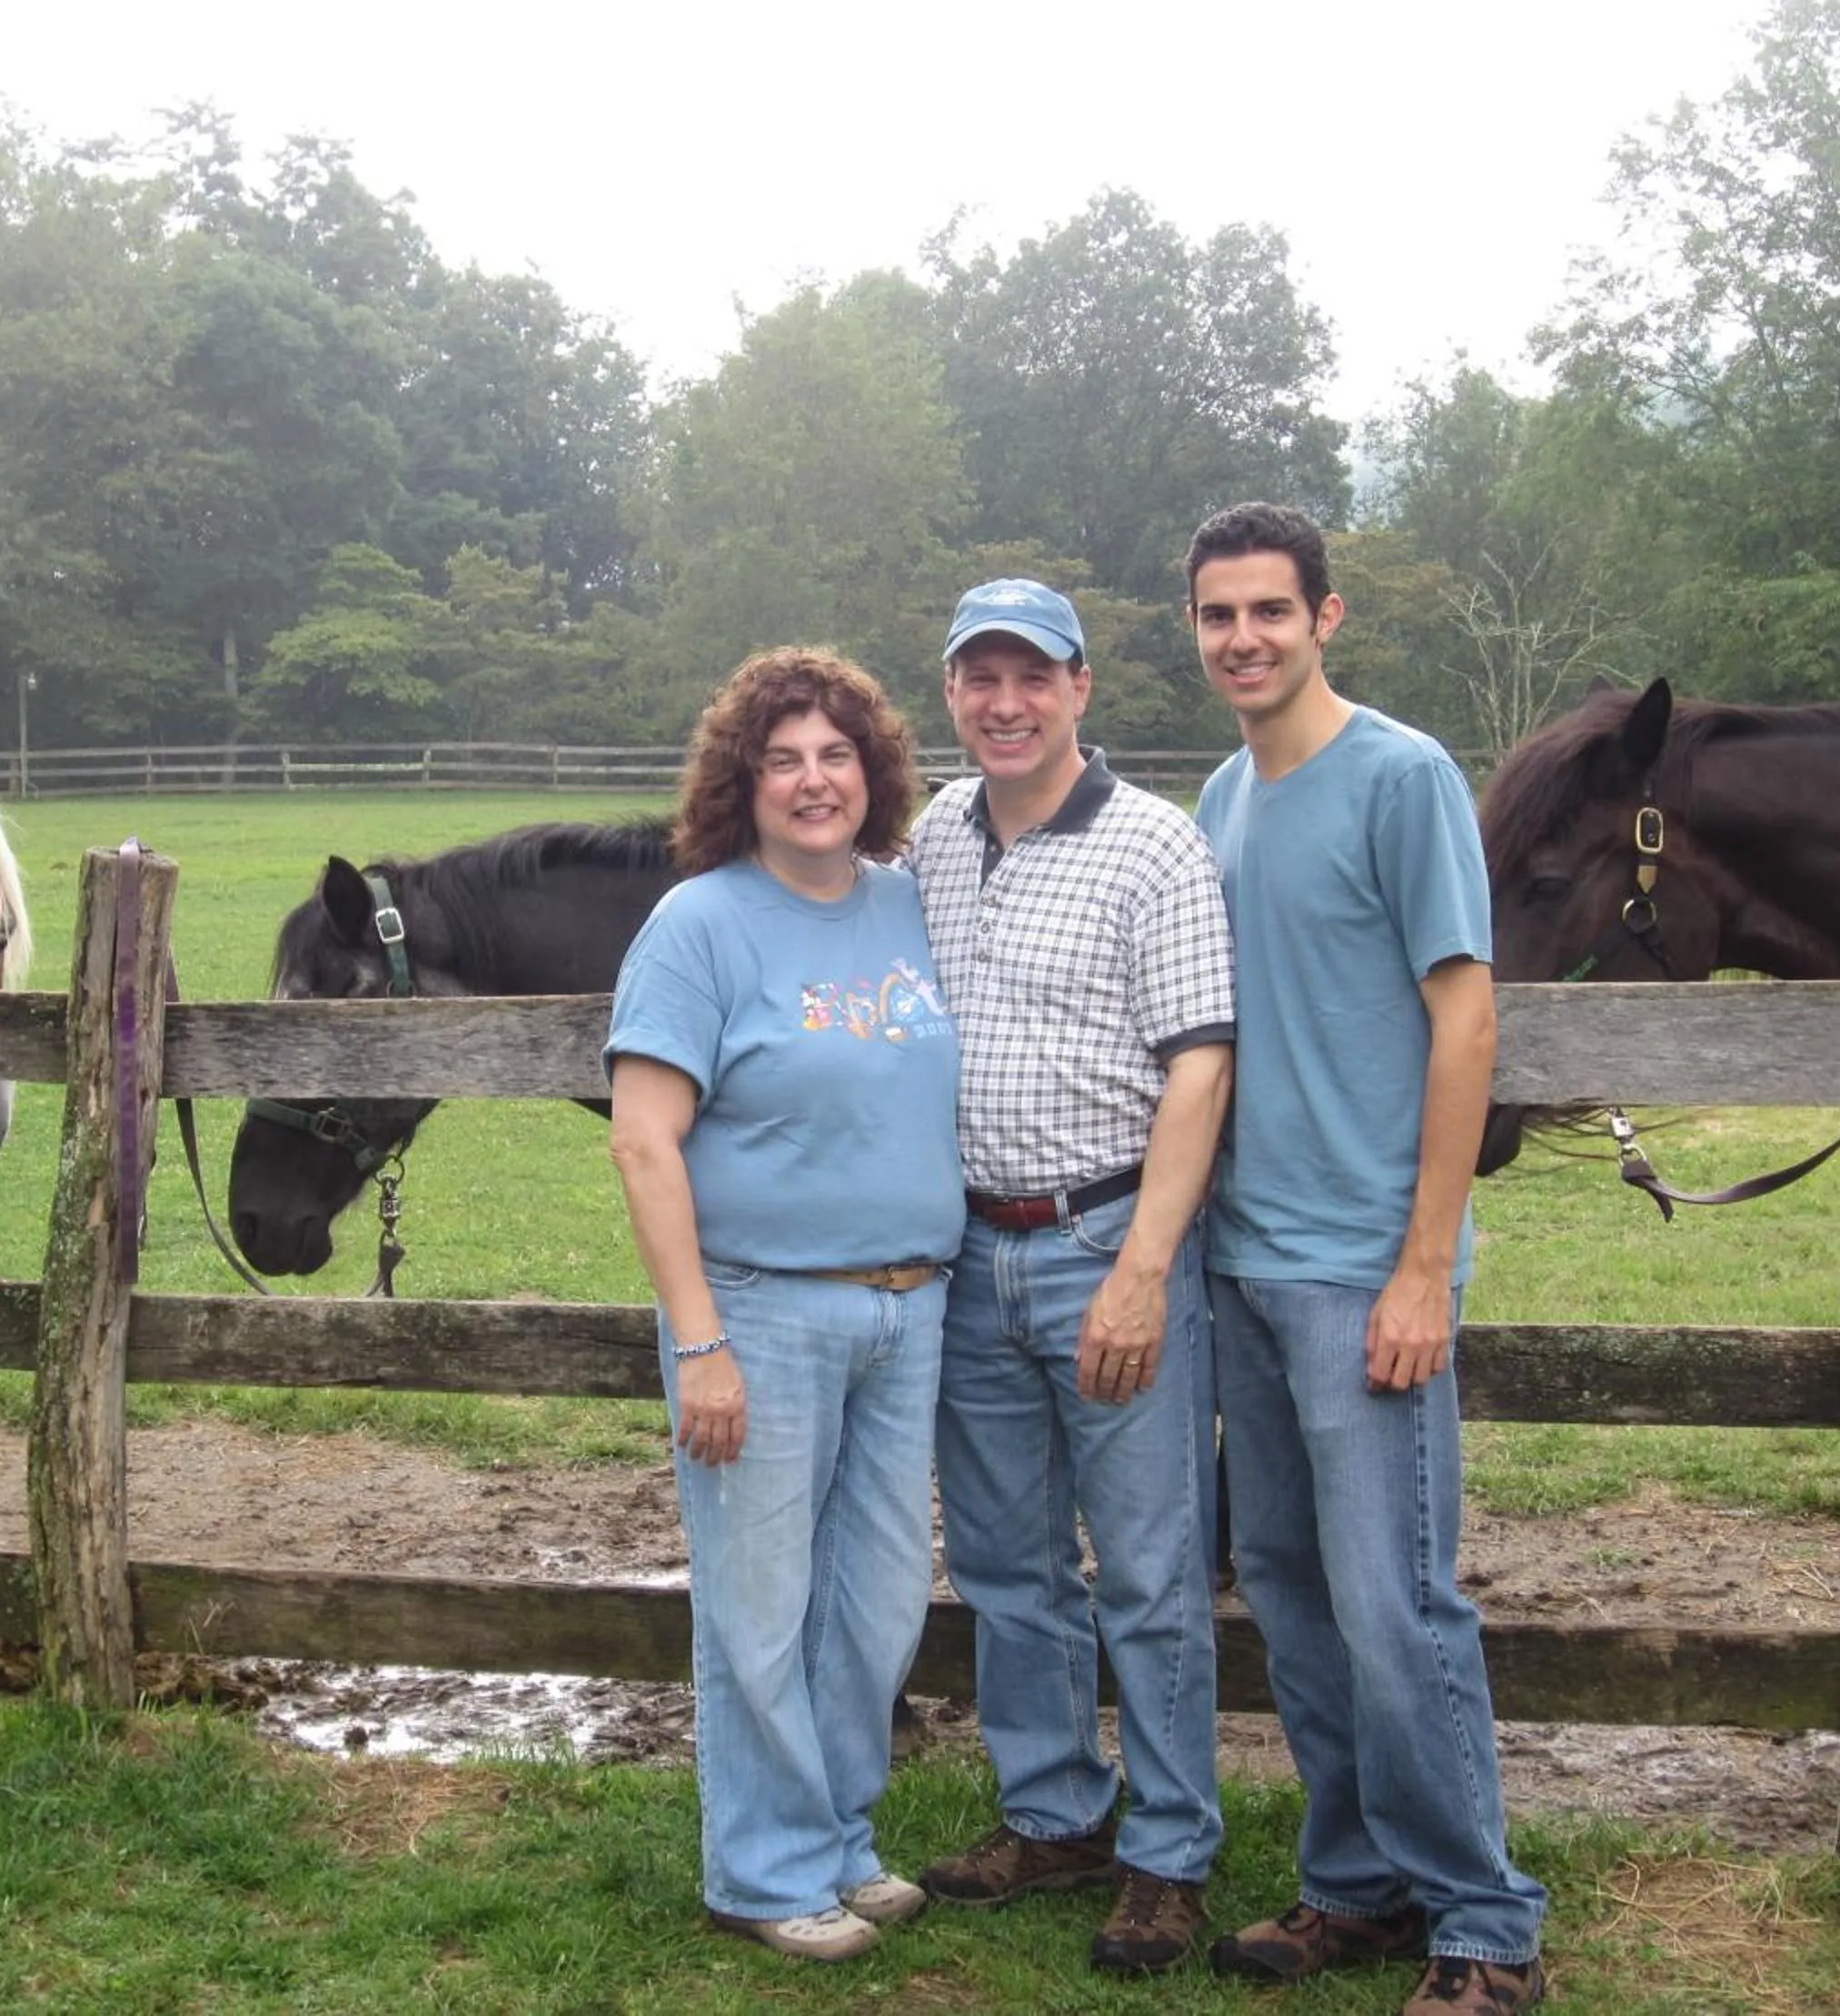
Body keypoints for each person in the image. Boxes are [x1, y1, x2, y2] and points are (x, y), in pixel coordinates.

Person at [1183, 503, 1548, 2015]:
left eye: (1271, 610)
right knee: (1288, 1585)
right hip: (1244, 1265)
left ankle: (1485, 1917)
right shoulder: (1219, 796)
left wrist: (1426, 1261)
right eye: (1218, 615)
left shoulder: (1403, 779)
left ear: (1325, 618)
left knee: (1397, 1600)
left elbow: (1465, 1018)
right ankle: (1358, 1879)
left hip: (1363, 1272)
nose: (1244, 638)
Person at [604, 646, 964, 1964]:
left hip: (907, 1306)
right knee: (759, 1605)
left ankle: (839, 1840)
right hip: (760, 1311)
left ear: (872, 772)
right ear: (741, 783)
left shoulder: (904, 904)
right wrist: (700, 1339)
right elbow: (644, 1141)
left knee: (874, 1606)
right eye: (784, 759)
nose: (815, 781)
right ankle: (759, 1869)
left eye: (836, 755)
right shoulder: (701, 924)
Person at [909, 578, 1236, 1975]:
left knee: (1152, 1567)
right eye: (979, 677)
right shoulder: (931, 831)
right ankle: (1055, 1810)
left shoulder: (1155, 846)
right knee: (1003, 1560)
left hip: (1105, 1234)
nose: (1004, 701)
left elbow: (1200, 1065)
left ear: (1080, 686)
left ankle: (1168, 1849)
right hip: (969, 1247)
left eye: (1029, 675)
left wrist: (1146, 1267)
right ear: (952, 694)